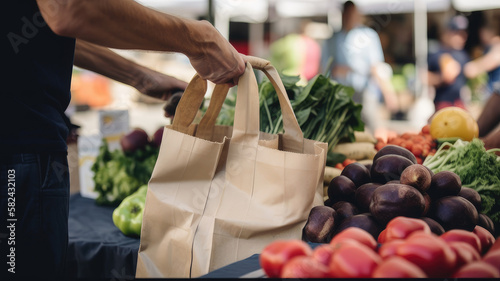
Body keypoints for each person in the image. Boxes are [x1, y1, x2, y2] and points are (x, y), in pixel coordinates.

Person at [2, 1, 245, 278]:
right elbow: (68, 8)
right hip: (17, 159)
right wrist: (200, 39)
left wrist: (138, 76)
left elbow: (38, 25)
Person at [321, 0, 398, 133]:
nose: (351, 17)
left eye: (353, 13)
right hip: (341, 95)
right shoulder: (332, 39)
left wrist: (388, 92)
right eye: (348, 14)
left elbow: (376, 66)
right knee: (342, 132)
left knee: (375, 129)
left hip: (366, 93)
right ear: (343, 14)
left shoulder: (368, 36)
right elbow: (324, 69)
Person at [427, 15, 470, 111]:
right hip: (442, 103)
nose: (462, 37)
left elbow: (469, 72)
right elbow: (425, 77)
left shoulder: (462, 55)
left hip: (459, 103)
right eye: (457, 33)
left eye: (463, 33)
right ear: (446, 33)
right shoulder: (436, 53)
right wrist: (442, 78)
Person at [464, 23, 500, 96]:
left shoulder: (497, 46)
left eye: (482, 33)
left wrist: (467, 67)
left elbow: (472, 70)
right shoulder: (487, 47)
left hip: (496, 94)